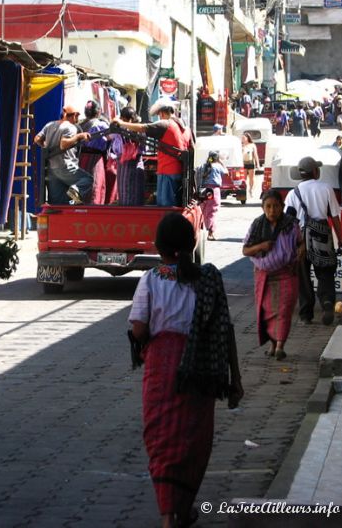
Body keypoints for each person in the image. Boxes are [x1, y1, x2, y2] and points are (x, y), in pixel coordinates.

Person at [128, 212, 243, 528]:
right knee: (193, 440)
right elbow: (225, 330)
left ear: (158, 247)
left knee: (161, 438)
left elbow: (138, 329)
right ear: (193, 243)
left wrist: (139, 342)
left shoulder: (151, 279)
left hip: (160, 371)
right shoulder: (208, 279)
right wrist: (236, 380)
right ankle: (183, 507)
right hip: (200, 370)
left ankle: (168, 513)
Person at [284, 156, 342, 326]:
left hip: (301, 238)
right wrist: (341, 240)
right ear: (315, 171)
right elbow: (334, 216)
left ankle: (306, 315)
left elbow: (288, 220)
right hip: (323, 236)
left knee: (303, 276)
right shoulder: (326, 188)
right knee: (325, 272)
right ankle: (327, 303)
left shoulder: (293, 193)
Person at [243, 189, 304, 360]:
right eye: (268, 207)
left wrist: (301, 250)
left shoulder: (291, 224)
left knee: (284, 310)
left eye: (276, 206)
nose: (272, 211)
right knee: (267, 311)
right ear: (263, 208)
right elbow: (246, 250)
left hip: (287, 273)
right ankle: (272, 344)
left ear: (282, 207)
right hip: (264, 275)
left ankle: (280, 346)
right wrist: (261, 247)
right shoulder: (257, 225)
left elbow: (300, 242)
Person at [114, 97, 192, 207]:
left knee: (165, 206)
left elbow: (143, 128)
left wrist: (121, 123)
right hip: (178, 171)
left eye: (159, 114)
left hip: (167, 171)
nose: (159, 117)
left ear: (162, 113)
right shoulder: (184, 127)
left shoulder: (166, 124)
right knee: (171, 205)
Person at [34, 105, 93, 204]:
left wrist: (45, 146)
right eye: (77, 117)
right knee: (87, 179)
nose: (77, 120)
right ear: (74, 116)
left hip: (52, 169)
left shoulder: (50, 125)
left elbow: (37, 139)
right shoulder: (70, 127)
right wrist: (79, 136)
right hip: (65, 166)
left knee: (58, 203)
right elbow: (63, 144)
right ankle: (75, 190)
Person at [78, 101, 110, 205]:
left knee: (82, 183)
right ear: (98, 112)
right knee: (95, 183)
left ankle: (80, 204)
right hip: (95, 159)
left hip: (81, 158)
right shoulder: (101, 125)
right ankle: (94, 206)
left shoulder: (80, 125)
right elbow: (112, 137)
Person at [116, 107, 146, 206]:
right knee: (127, 187)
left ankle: (130, 210)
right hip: (129, 162)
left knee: (130, 187)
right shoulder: (138, 128)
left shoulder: (135, 128)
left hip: (132, 161)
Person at [197, 151, 227, 240]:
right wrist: (221, 163)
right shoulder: (218, 166)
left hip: (204, 190)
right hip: (214, 190)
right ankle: (210, 232)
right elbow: (226, 172)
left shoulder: (203, 166)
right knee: (212, 211)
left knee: (203, 210)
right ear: (217, 158)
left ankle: (200, 230)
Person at [241, 133, 260, 198]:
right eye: (242, 138)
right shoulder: (241, 146)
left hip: (251, 163)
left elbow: (255, 155)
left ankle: (251, 190)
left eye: (244, 138)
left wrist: (258, 164)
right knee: (244, 178)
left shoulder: (252, 145)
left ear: (247, 138)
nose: (242, 139)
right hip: (243, 163)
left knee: (251, 178)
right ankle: (244, 190)